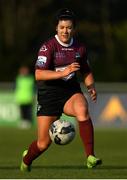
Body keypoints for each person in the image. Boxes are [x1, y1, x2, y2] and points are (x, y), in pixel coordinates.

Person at [20, 8, 102, 171]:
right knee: (43, 143)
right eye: (62, 27)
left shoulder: (79, 48)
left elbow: (86, 70)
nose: (66, 30)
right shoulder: (48, 47)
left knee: (82, 109)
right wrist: (63, 72)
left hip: (70, 91)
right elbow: (38, 74)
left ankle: (90, 156)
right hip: (49, 95)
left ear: (73, 29)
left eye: (69, 27)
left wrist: (90, 86)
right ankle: (26, 161)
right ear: (56, 28)